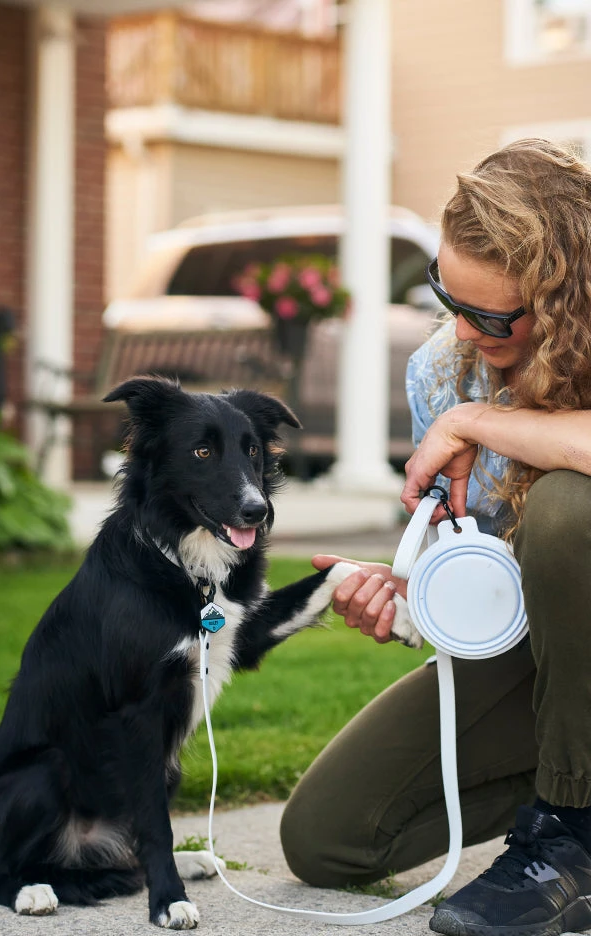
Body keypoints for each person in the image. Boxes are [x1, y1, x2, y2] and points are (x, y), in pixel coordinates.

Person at [279, 138, 591, 936]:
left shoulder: (464, 403)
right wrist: (419, 592)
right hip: (560, 674)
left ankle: (571, 836)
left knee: (565, 506)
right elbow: (515, 588)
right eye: (446, 299)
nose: (460, 333)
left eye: (488, 316)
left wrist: (478, 421)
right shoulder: (439, 371)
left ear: (565, 299)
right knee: (329, 836)